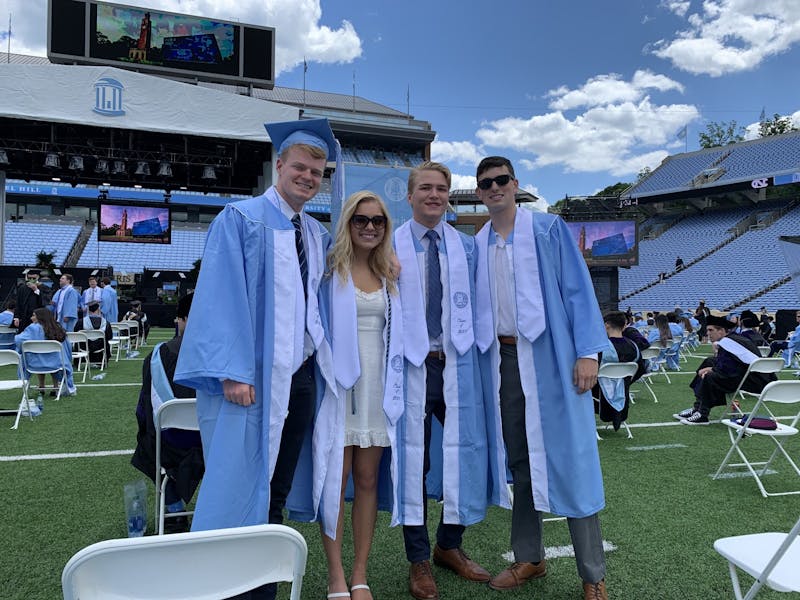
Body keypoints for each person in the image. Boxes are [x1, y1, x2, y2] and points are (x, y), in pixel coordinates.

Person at [174, 118, 340, 600]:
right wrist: (232, 370)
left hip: (302, 378)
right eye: (301, 167)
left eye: (317, 171)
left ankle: (264, 580)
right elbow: (221, 296)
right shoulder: (240, 218)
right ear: (279, 165)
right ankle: (224, 582)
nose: (309, 177)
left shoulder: (314, 232)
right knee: (237, 476)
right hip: (252, 380)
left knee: (278, 484)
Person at [473, 156, 609, 600]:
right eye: (485, 183)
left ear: (515, 185)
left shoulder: (548, 230)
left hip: (554, 357)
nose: (494, 188)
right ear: (478, 192)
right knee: (520, 462)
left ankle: (592, 575)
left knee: (572, 460)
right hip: (505, 360)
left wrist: (588, 352)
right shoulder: (479, 243)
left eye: (501, 180)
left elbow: (578, 290)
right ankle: (529, 557)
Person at [394, 161, 501, 600]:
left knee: (464, 454)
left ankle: (448, 546)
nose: (434, 195)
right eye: (425, 188)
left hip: (456, 363)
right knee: (412, 462)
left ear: (449, 195)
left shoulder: (466, 248)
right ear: (410, 195)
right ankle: (418, 559)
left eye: (441, 189)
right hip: (410, 364)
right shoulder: (391, 243)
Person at [316, 191, 403, 600]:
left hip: (378, 389)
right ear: (348, 223)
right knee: (337, 480)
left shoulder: (390, 273)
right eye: (361, 220)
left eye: (379, 221)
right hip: (337, 388)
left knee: (367, 479)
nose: (370, 227)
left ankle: (360, 573)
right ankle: (335, 574)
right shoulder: (329, 269)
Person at [131, 293, 203, 534]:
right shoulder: (228, 353)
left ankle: (173, 508)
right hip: (216, 444)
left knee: (148, 446)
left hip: (170, 443)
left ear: (182, 319)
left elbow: (144, 410)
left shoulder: (158, 355)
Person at [675, 315, 777, 425]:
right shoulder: (733, 338)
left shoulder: (728, 343)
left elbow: (729, 370)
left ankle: (702, 413)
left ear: (722, 331)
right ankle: (697, 407)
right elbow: (732, 365)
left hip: (755, 382)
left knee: (710, 376)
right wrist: (711, 368)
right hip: (749, 376)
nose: (708, 333)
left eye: (711, 330)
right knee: (709, 361)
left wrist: (711, 371)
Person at [594, 311, 644, 431]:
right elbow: (639, 370)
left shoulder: (600, 347)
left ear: (606, 325)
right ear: (624, 326)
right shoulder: (633, 346)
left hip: (597, 393)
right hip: (623, 391)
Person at [15, 307, 77, 398]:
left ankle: (41, 386)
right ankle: (55, 387)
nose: (31, 318)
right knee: (54, 356)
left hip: (34, 364)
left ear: (40, 317)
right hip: (57, 364)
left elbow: (18, 340)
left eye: (33, 316)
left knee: (38, 355)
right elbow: (67, 347)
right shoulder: (57, 328)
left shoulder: (32, 329)